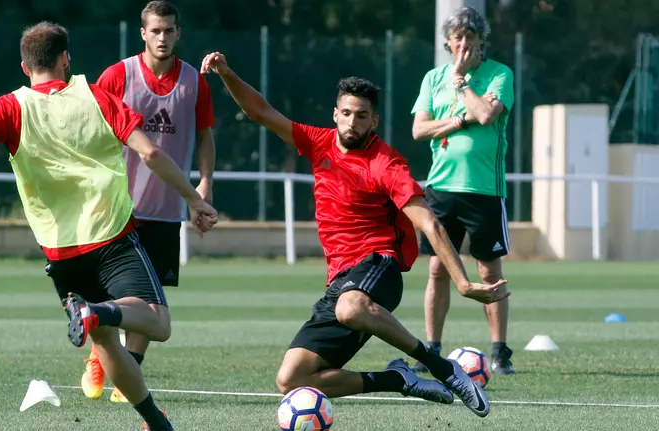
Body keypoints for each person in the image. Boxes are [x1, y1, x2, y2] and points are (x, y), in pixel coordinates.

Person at [0, 22, 219, 431]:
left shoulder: (12, 107)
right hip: (112, 237)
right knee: (157, 321)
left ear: (25, 67)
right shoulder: (95, 96)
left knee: (103, 341)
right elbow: (150, 152)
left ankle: (154, 420)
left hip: (61, 253)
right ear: (65, 59)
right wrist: (194, 197)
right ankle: (97, 313)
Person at [200, 51, 510, 418]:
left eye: (362, 116)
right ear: (335, 115)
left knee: (350, 307)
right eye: (346, 113)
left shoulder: (386, 163)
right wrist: (225, 73)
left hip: (380, 266)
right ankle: (397, 380)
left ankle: (443, 367)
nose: (352, 122)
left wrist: (462, 283)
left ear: (373, 121)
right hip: (341, 280)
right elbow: (260, 111)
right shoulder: (318, 143)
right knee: (292, 379)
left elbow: (430, 223)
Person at [80, 0, 217, 404]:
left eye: (169, 30)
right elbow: (90, 129)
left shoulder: (195, 81)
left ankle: (132, 368)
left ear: (178, 33)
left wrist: (205, 183)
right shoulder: (118, 75)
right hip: (116, 208)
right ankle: (97, 355)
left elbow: (206, 135)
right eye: (155, 30)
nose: (162, 37)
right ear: (142, 33)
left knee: (151, 295)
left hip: (167, 209)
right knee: (110, 291)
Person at [410, 6, 516, 375]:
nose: (464, 45)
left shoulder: (499, 74)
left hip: (485, 189)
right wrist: (458, 119)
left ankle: (500, 351)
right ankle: (432, 348)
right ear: (447, 42)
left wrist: (462, 83)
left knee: (488, 272)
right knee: (438, 269)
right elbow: (419, 130)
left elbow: (487, 115)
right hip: (440, 187)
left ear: (482, 41)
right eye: (458, 39)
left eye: (471, 38)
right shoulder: (431, 78)